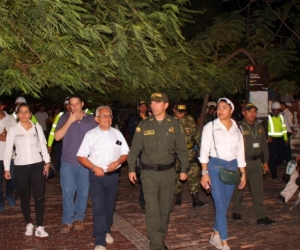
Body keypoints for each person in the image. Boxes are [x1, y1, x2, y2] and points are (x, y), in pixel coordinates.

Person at [127, 92, 188, 250]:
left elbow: (182, 149)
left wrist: (184, 169)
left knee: (166, 208)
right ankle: (156, 244)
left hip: (169, 173)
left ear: (166, 105)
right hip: (149, 173)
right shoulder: (144, 124)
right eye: (152, 103)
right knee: (152, 209)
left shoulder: (174, 124)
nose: (153, 106)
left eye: (157, 103)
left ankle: (159, 238)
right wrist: (131, 168)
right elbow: (134, 149)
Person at [77, 106, 129, 250]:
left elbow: (125, 152)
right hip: (96, 177)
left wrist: (117, 162)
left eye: (109, 116)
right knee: (98, 207)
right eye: (104, 116)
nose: (107, 119)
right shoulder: (90, 135)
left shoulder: (117, 134)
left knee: (109, 207)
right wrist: (94, 168)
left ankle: (106, 230)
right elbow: (81, 156)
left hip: (113, 177)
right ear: (97, 119)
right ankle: (100, 240)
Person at [200, 98, 246, 250]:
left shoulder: (237, 128)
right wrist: (204, 172)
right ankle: (224, 242)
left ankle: (214, 234)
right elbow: (204, 151)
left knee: (224, 206)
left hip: (232, 168)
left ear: (231, 111)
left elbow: (240, 151)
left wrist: (243, 173)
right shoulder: (211, 126)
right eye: (219, 107)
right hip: (215, 167)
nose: (220, 110)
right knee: (220, 205)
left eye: (224, 107)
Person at [3, 103, 50, 237]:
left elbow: (42, 145)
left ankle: (40, 226)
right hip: (20, 166)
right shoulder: (13, 130)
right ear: (17, 115)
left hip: (37, 165)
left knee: (39, 197)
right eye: (21, 112)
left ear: (30, 114)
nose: (23, 114)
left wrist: (47, 162)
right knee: (24, 197)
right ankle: (29, 223)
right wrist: (6, 168)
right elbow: (8, 150)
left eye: (26, 112)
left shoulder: (37, 127)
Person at [54, 94, 97, 233]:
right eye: (71, 104)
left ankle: (79, 217)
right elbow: (57, 136)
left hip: (85, 163)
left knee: (83, 192)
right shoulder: (64, 118)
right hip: (68, 162)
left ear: (82, 104)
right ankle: (67, 220)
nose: (74, 107)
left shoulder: (91, 120)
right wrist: (70, 121)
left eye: (76, 103)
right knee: (68, 192)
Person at [232, 103, 275, 225]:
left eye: (254, 111)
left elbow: (264, 146)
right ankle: (236, 211)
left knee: (258, 190)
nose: (252, 114)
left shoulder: (259, 126)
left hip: (257, 163)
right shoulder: (239, 127)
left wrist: (265, 162)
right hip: (243, 163)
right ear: (244, 113)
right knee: (239, 188)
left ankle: (261, 216)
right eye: (249, 111)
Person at [173, 102, 206, 207]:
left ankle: (195, 199)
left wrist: (203, 148)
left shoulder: (190, 120)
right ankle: (178, 197)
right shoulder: (169, 121)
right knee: (176, 176)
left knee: (193, 173)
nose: (181, 115)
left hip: (189, 152)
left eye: (183, 112)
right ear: (174, 110)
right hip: (175, 153)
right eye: (179, 112)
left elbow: (196, 135)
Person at [127, 100, 149, 210]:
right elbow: (130, 131)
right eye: (142, 106)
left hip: (149, 149)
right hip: (138, 147)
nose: (143, 108)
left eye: (145, 106)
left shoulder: (151, 118)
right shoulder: (134, 118)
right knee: (140, 168)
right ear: (138, 108)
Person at [0, 100, 17, 211]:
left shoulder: (11, 119)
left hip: (10, 155)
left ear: (2, 106)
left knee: (13, 178)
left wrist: (8, 136)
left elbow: (18, 133)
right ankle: (0, 201)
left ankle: (8, 193)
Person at [47, 97, 71, 172]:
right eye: (67, 104)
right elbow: (53, 130)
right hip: (62, 142)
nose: (69, 106)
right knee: (59, 161)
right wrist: (49, 144)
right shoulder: (61, 115)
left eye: (70, 104)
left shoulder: (83, 113)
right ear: (64, 106)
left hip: (78, 143)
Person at [268, 101, 288, 179]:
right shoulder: (269, 117)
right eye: (275, 109)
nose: (277, 111)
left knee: (282, 156)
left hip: (280, 140)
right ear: (272, 110)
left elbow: (284, 129)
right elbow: (265, 128)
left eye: (278, 110)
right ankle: (273, 172)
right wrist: (268, 137)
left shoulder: (281, 117)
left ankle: (272, 165)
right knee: (272, 156)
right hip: (272, 140)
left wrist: (286, 139)